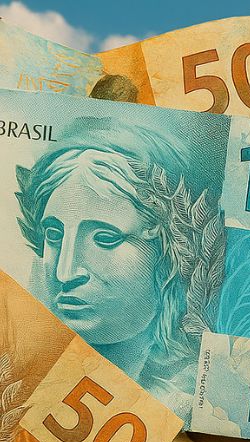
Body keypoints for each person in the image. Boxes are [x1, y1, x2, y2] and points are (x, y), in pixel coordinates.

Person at [15, 117, 226, 418]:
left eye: (105, 238)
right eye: (54, 235)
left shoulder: (194, 399)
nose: (65, 272)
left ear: (169, 253)